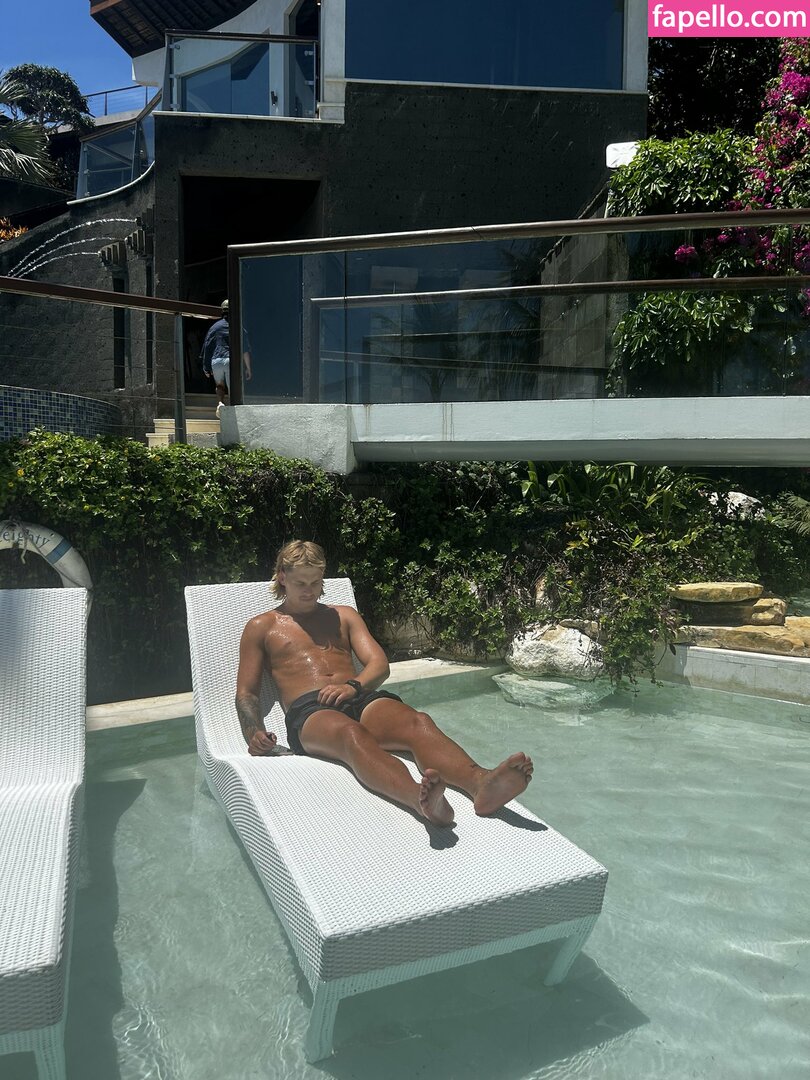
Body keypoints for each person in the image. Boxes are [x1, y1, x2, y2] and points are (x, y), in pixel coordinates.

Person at [235, 540, 533, 827]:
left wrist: (353, 686)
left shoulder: (343, 616)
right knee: (351, 734)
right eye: (301, 583)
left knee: (418, 722)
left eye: (315, 582)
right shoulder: (262, 626)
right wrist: (254, 732)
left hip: (358, 694)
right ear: (282, 577)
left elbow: (379, 665)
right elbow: (247, 693)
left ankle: (481, 783)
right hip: (311, 711)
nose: (309, 591)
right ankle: (419, 799)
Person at [199, 299, 253, 415]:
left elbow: (207, 347)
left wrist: (206, 367)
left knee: (219, 385)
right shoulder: (238, 327)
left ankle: (220, 403)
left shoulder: (214, 327)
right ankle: (233, 412)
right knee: (233, 389)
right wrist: (248, 368)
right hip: (230, 361)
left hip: (216, 361)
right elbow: (245, 350)